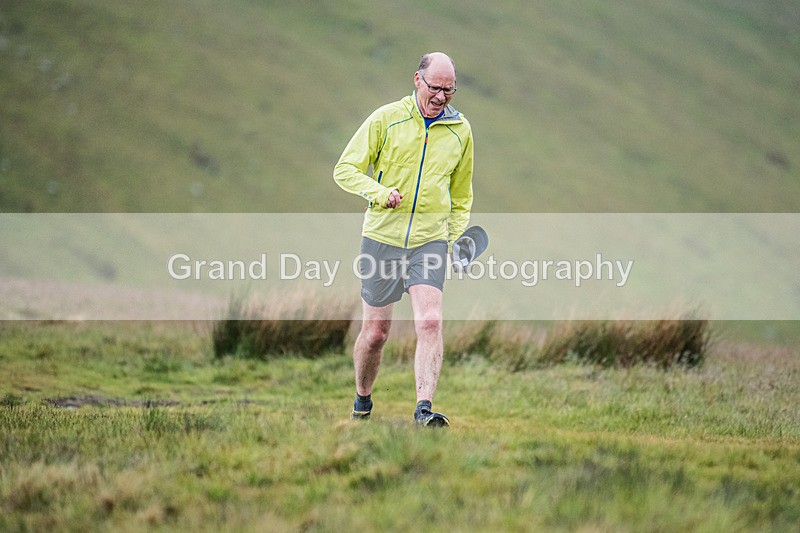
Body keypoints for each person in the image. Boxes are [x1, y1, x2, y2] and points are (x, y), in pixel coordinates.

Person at [333, 51, 474, 427]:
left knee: (429, 321)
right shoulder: (386, 119)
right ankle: (362, 400)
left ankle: (423, 411)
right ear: (417, 80)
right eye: (435, 87)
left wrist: (457, 240)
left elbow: (461, 197)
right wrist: (378, 193)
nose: (442, 96)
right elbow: (344, 170)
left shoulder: (461, 131)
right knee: (376, 333)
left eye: (450, 90)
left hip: (430, 241)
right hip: (382, 237)